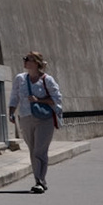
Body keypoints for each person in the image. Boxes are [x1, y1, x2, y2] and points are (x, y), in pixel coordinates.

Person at [9, 51, 63, 193]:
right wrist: (11, 112)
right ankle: (39, 179)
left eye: (29, 59)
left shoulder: (47, 80)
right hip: (25, 117)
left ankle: (40, 181)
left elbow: (57, 99)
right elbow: (14, 96)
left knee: (40, 150)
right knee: (33, 150)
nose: (25, 61)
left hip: (44, 119)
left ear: (37, 63)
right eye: (25, 58)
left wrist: (38, 100)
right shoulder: (20, 78)